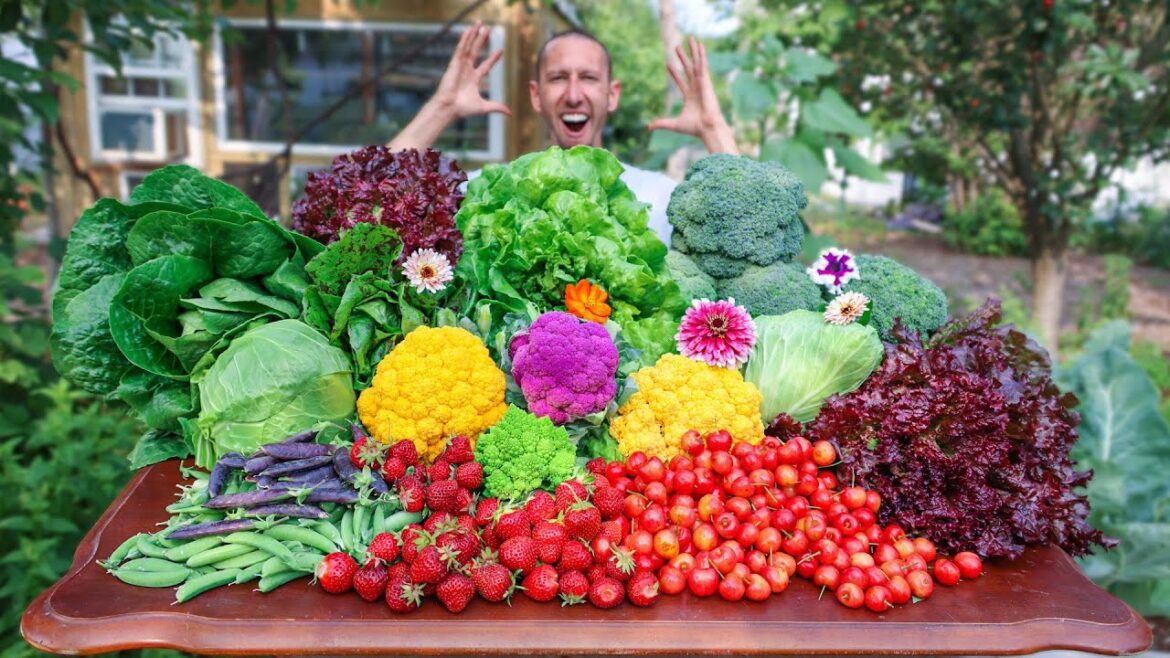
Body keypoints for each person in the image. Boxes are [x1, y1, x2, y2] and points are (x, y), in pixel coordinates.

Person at [388, 22, 738, 243]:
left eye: (588, 78)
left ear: (611, 94)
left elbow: (749, 226)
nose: (573, 94)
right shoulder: (489, 194)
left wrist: (714, 129)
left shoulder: (658, 198)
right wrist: (442, 106)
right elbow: (372, 202)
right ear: (536, 95)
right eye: (558, 78)